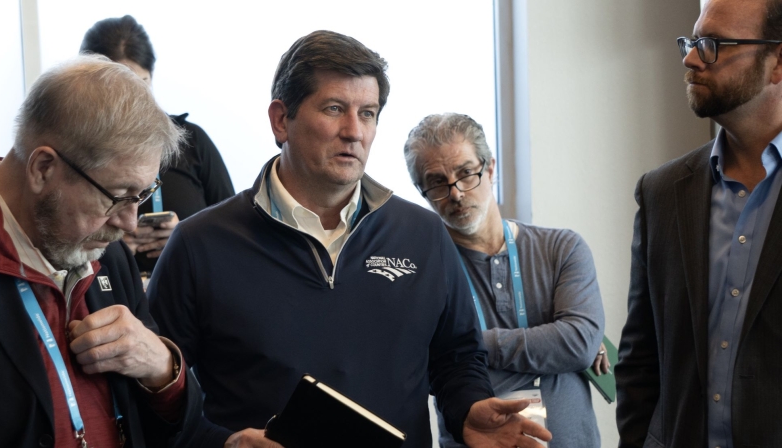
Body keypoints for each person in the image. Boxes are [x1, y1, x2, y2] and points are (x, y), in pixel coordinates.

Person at [149, 30, 552, 448]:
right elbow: (157, 396)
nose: (353, 131)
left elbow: (457, 358)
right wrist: (223, 443)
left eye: (368, 113)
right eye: (335, 108)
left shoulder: (422, 235)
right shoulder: (201, 244)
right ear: (281, 119)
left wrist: (468, 407)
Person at [0, 55, 204, 447]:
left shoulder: (107, 255)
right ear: (43, 168)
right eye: (116, 198)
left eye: (142, 196)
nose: (130, 223)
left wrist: (162, 369)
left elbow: (172, 432)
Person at [616, 0, 782, 446]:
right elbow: (640, 361)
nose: (691, 58)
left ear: (777, 62)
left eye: (714, 45)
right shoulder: (662, 192)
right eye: (692, 42)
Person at [403, 113, 606, 448]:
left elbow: (579, 345)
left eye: (466, 173)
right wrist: (548, 341)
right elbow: (422, 369)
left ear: (490, 169)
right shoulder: (422, 273)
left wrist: (467, 346)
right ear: (421, 191)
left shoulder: (562, 248)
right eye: (437, 181)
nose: (455, 193)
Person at [80, 15, 235, 279]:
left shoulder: (190, 140)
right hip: (111, 291)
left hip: (189, 292)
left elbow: (234, 232)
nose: (135, 98)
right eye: (121, 87)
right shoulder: (76, 152)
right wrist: (112, 251)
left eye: (142, 84)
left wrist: (186, 235)